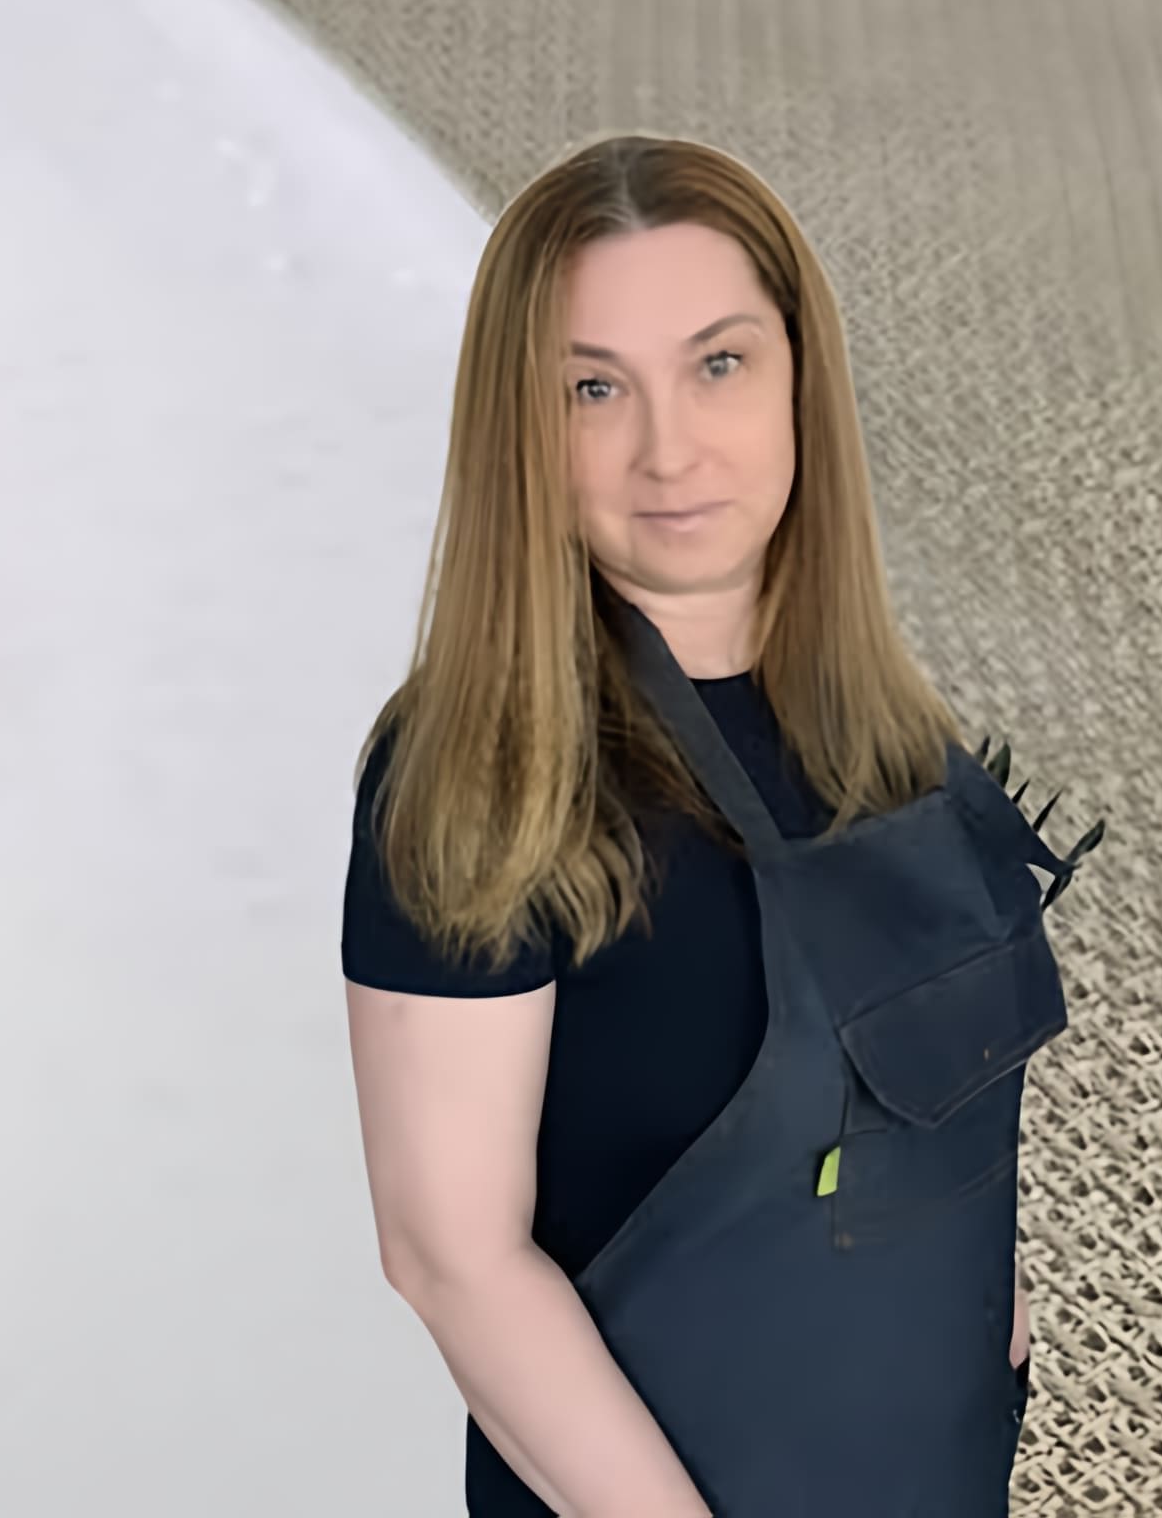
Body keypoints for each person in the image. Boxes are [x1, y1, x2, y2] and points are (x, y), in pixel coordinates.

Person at [343, 136, 1074, 1513]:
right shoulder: (477, 771)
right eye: (593, 388)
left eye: (718, 364)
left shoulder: (896, 737)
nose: (668, 449)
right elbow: (451, 1256)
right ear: (521, 427)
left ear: (800, 378)